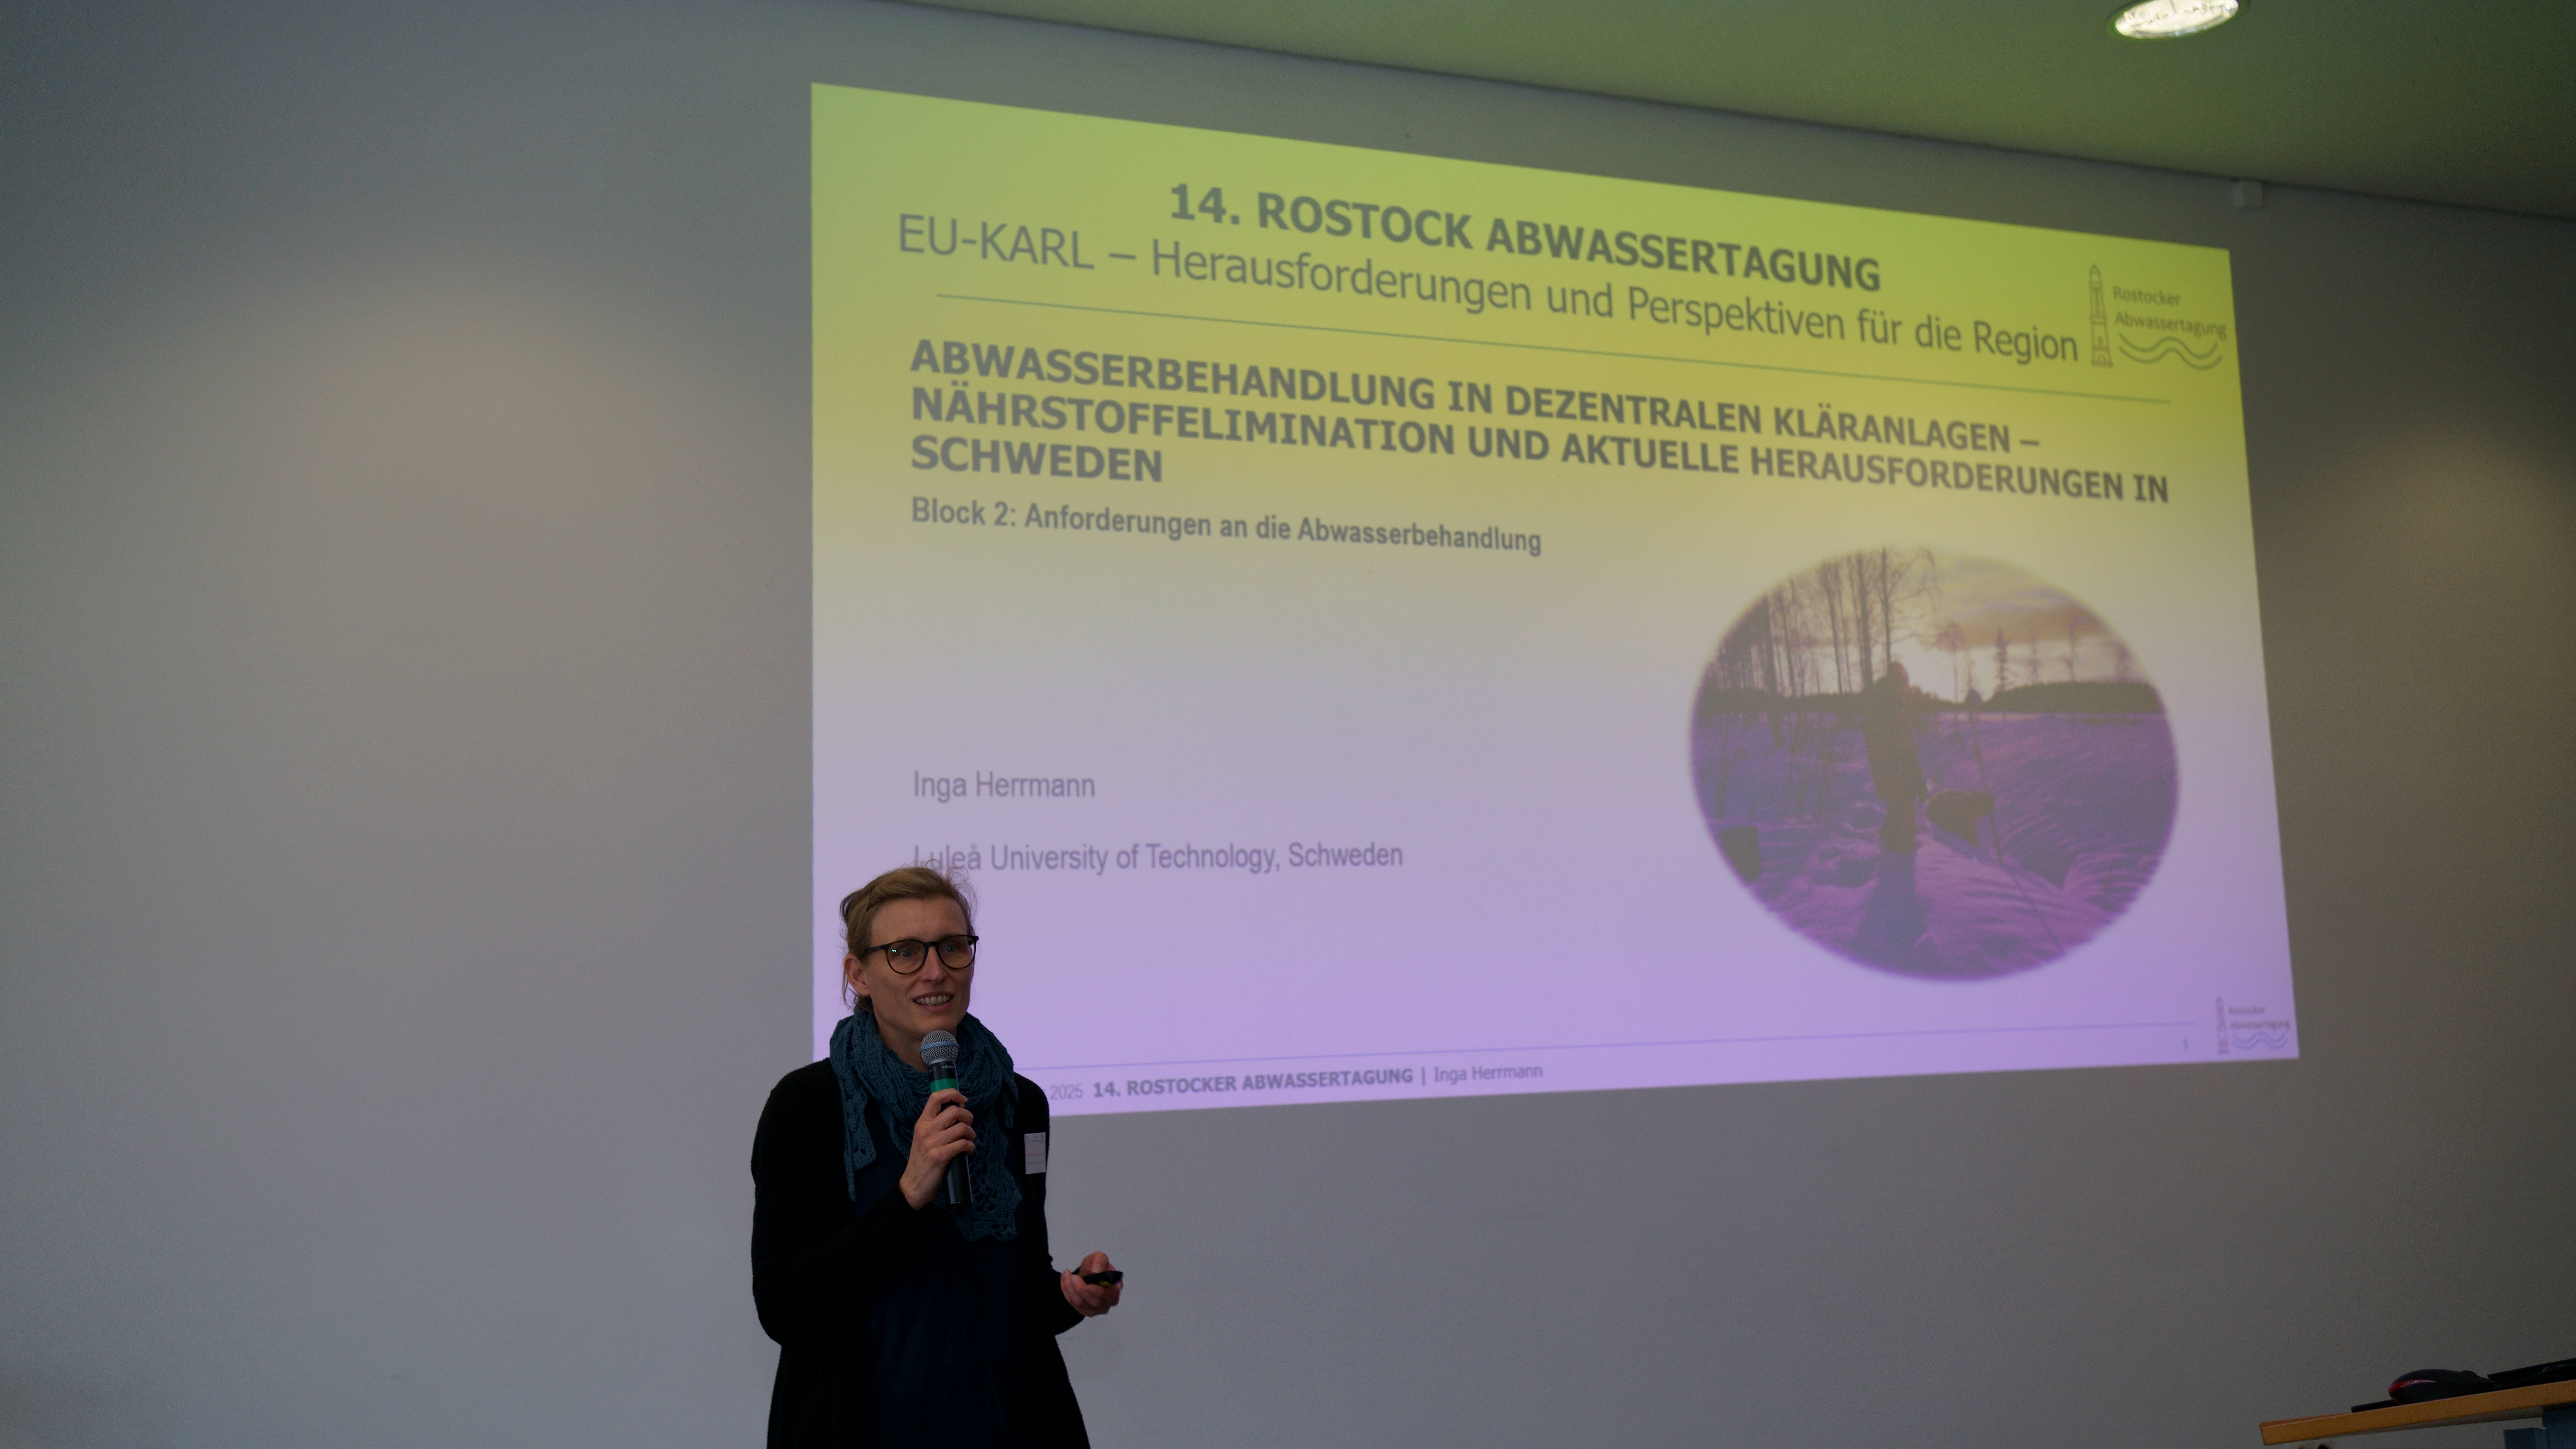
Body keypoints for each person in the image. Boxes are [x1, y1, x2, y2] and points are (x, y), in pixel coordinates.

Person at [752, 866, 1122, 1448]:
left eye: (952, 947)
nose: (935, 971)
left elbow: (1015, 1290)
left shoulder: (1018, 1102)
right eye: (905, 952)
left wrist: (1070, 1293)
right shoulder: (807, 1105)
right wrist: (905, 1198)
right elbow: (784, 1307)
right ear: (859, 974)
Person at [1859, 661, 1926, 852]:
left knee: (1899, 804)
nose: (1905, 689)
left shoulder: (1887, 701)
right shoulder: (1889, 703)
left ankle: (1892, 839)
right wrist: (1907, 769)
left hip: (1893, 765)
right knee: (1904, 803)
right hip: (1895, 765)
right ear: (1895, 683)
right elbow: (1898, 741)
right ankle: (1902, 848)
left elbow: (1902, 739)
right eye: (1903, 684)